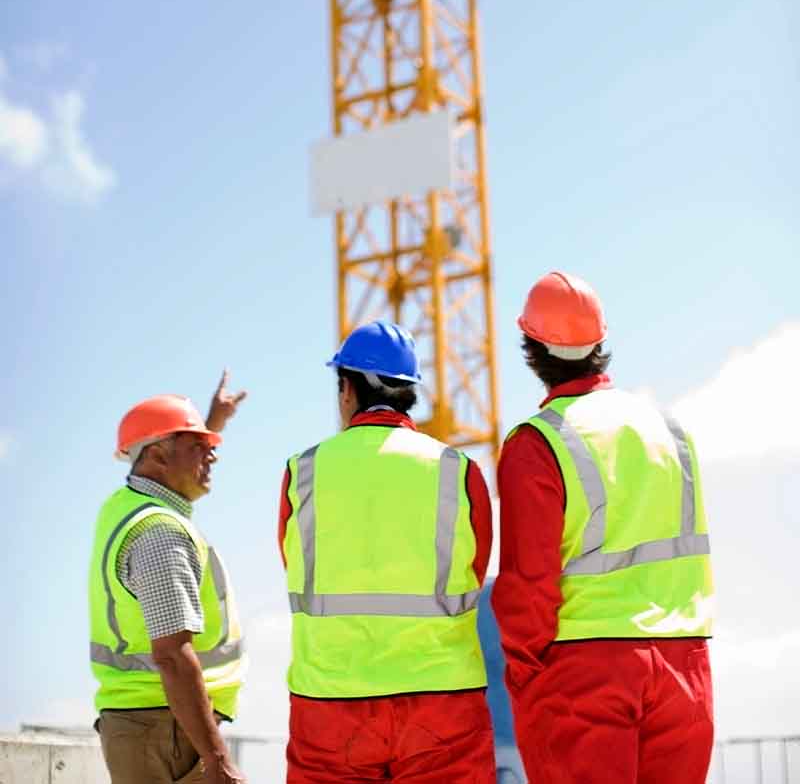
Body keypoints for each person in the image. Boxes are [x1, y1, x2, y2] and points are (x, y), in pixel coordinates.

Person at [492, 271, 715, 784]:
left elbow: (529, 583)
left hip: (586, 669)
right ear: (601, 343)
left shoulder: (538, 442)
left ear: (530, 348)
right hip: (685, 666)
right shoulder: (669, 428)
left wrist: (527, 675)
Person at [279, 321, 497, 783]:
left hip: (330, 700)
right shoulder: (458, 471)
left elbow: (292, 561)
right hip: (442, 699)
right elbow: (475, 572)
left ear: (346, 389)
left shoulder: (303, 472)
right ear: (409, 393)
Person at [89, 371, 248, 784]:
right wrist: (218, 760)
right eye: (200, 446)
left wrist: (208, 426)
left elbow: (177, 463)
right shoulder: (160, 533)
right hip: (166, 727)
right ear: (157, 455)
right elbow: (173, 658)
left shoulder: (126, 505)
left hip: (156, 724)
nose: (211, 455)